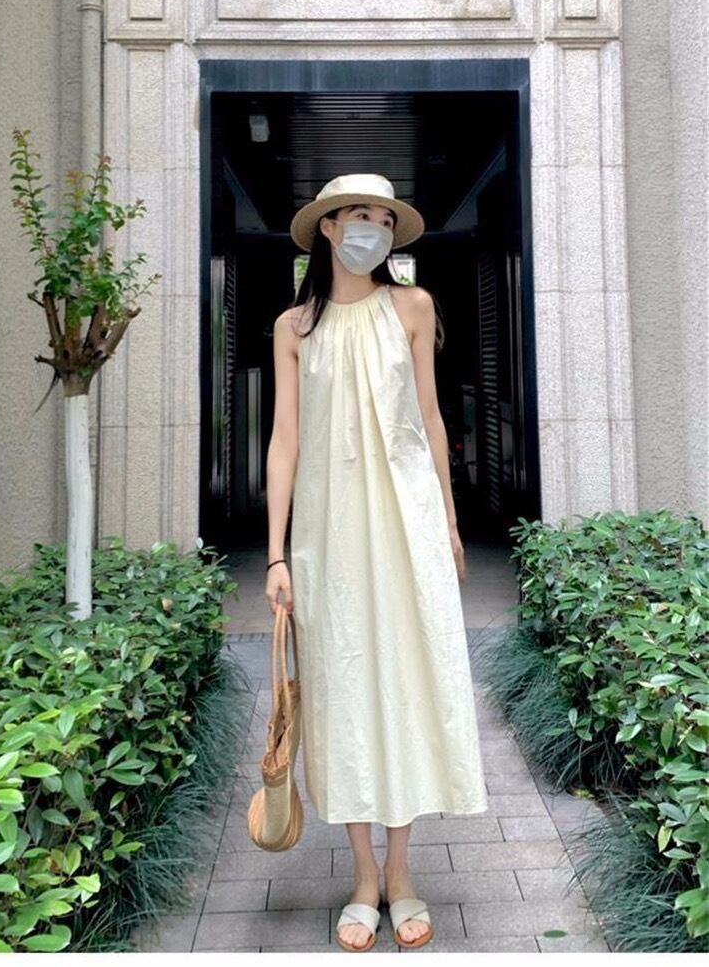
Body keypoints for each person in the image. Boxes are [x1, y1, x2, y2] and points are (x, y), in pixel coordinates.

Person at [264, 174, 488, 951]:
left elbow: (430, 417)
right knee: (344, 690)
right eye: (358, 215)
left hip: (406, 523)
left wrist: (449, 523)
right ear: (327, 228)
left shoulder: (413, 307)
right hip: (328, 535)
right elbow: (285, 440)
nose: (372, 228)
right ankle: (364, 878)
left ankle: (400, 874)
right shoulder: (295, 326)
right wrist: (275, 554)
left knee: (407, 683)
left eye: (383, 218)